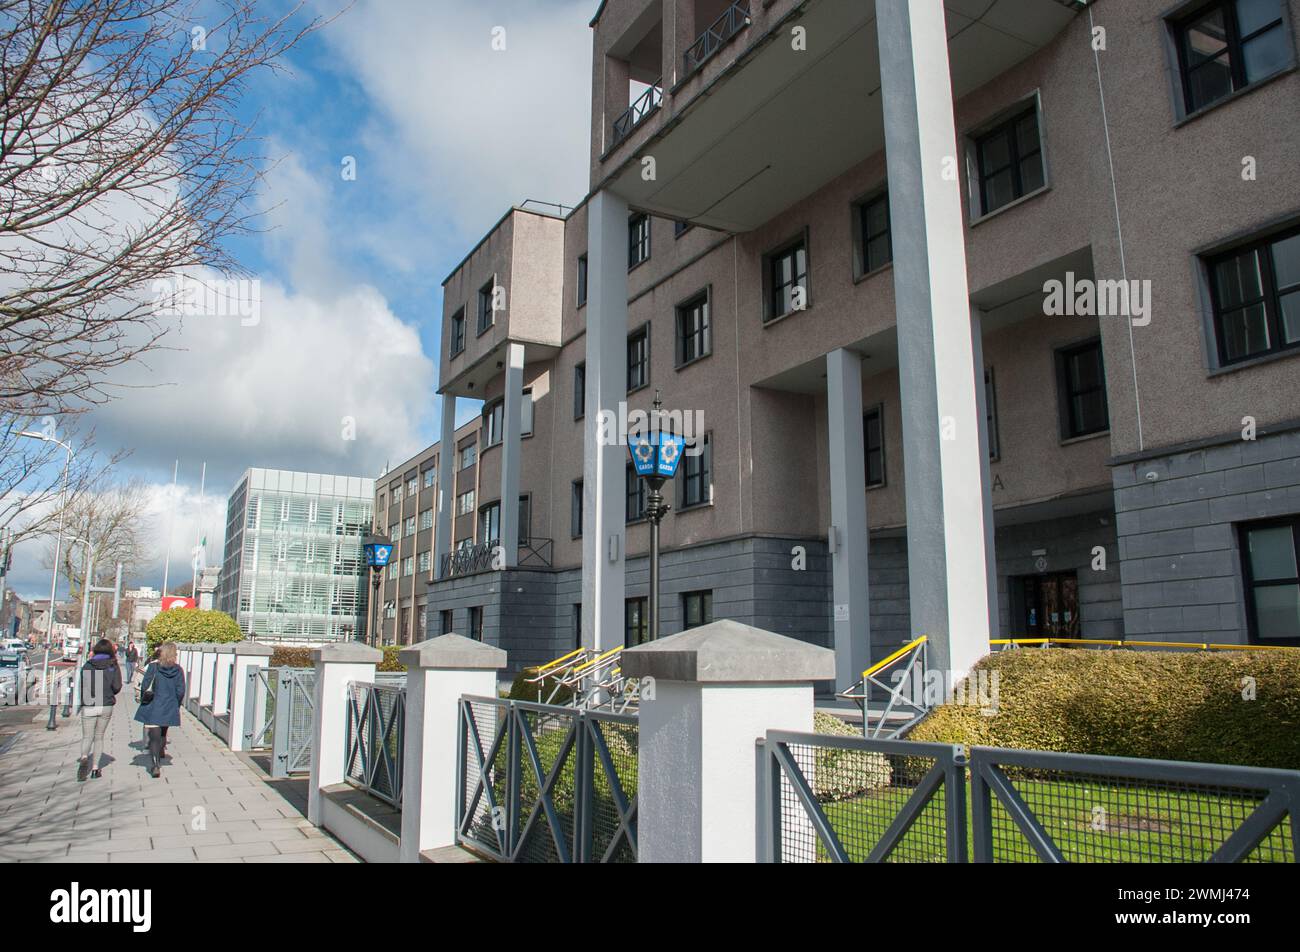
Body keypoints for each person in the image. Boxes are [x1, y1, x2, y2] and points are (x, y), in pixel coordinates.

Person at [134, 641, 185, 778]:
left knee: (154, 736)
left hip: (154, 705)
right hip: (169, 706)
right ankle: (161, 751)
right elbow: (180, 691)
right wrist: (176, 704)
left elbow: (145, 685)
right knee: (163, 733)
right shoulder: (178, 670)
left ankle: (156, 764)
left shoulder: (153, 667)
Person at [76, 639, 123, 782]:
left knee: (87, 736)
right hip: (106, 703)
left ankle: (84, 757)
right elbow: (117, 686)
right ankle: (95, 768)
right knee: (99, 736)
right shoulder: (113, 666)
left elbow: (82, 685)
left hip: (89, 703)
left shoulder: (88, 665)